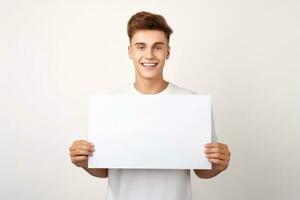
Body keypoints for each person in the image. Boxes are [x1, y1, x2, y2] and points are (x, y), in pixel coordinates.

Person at [69, 11, 231, 200]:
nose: (149, 55)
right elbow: (104, 169)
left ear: (168, 52)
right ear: (130, 51)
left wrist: (219, 164)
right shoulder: (111, 104)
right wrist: (84, 161)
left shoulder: (191, 103)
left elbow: (201, 170)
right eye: (141, 47)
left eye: (158, 47)